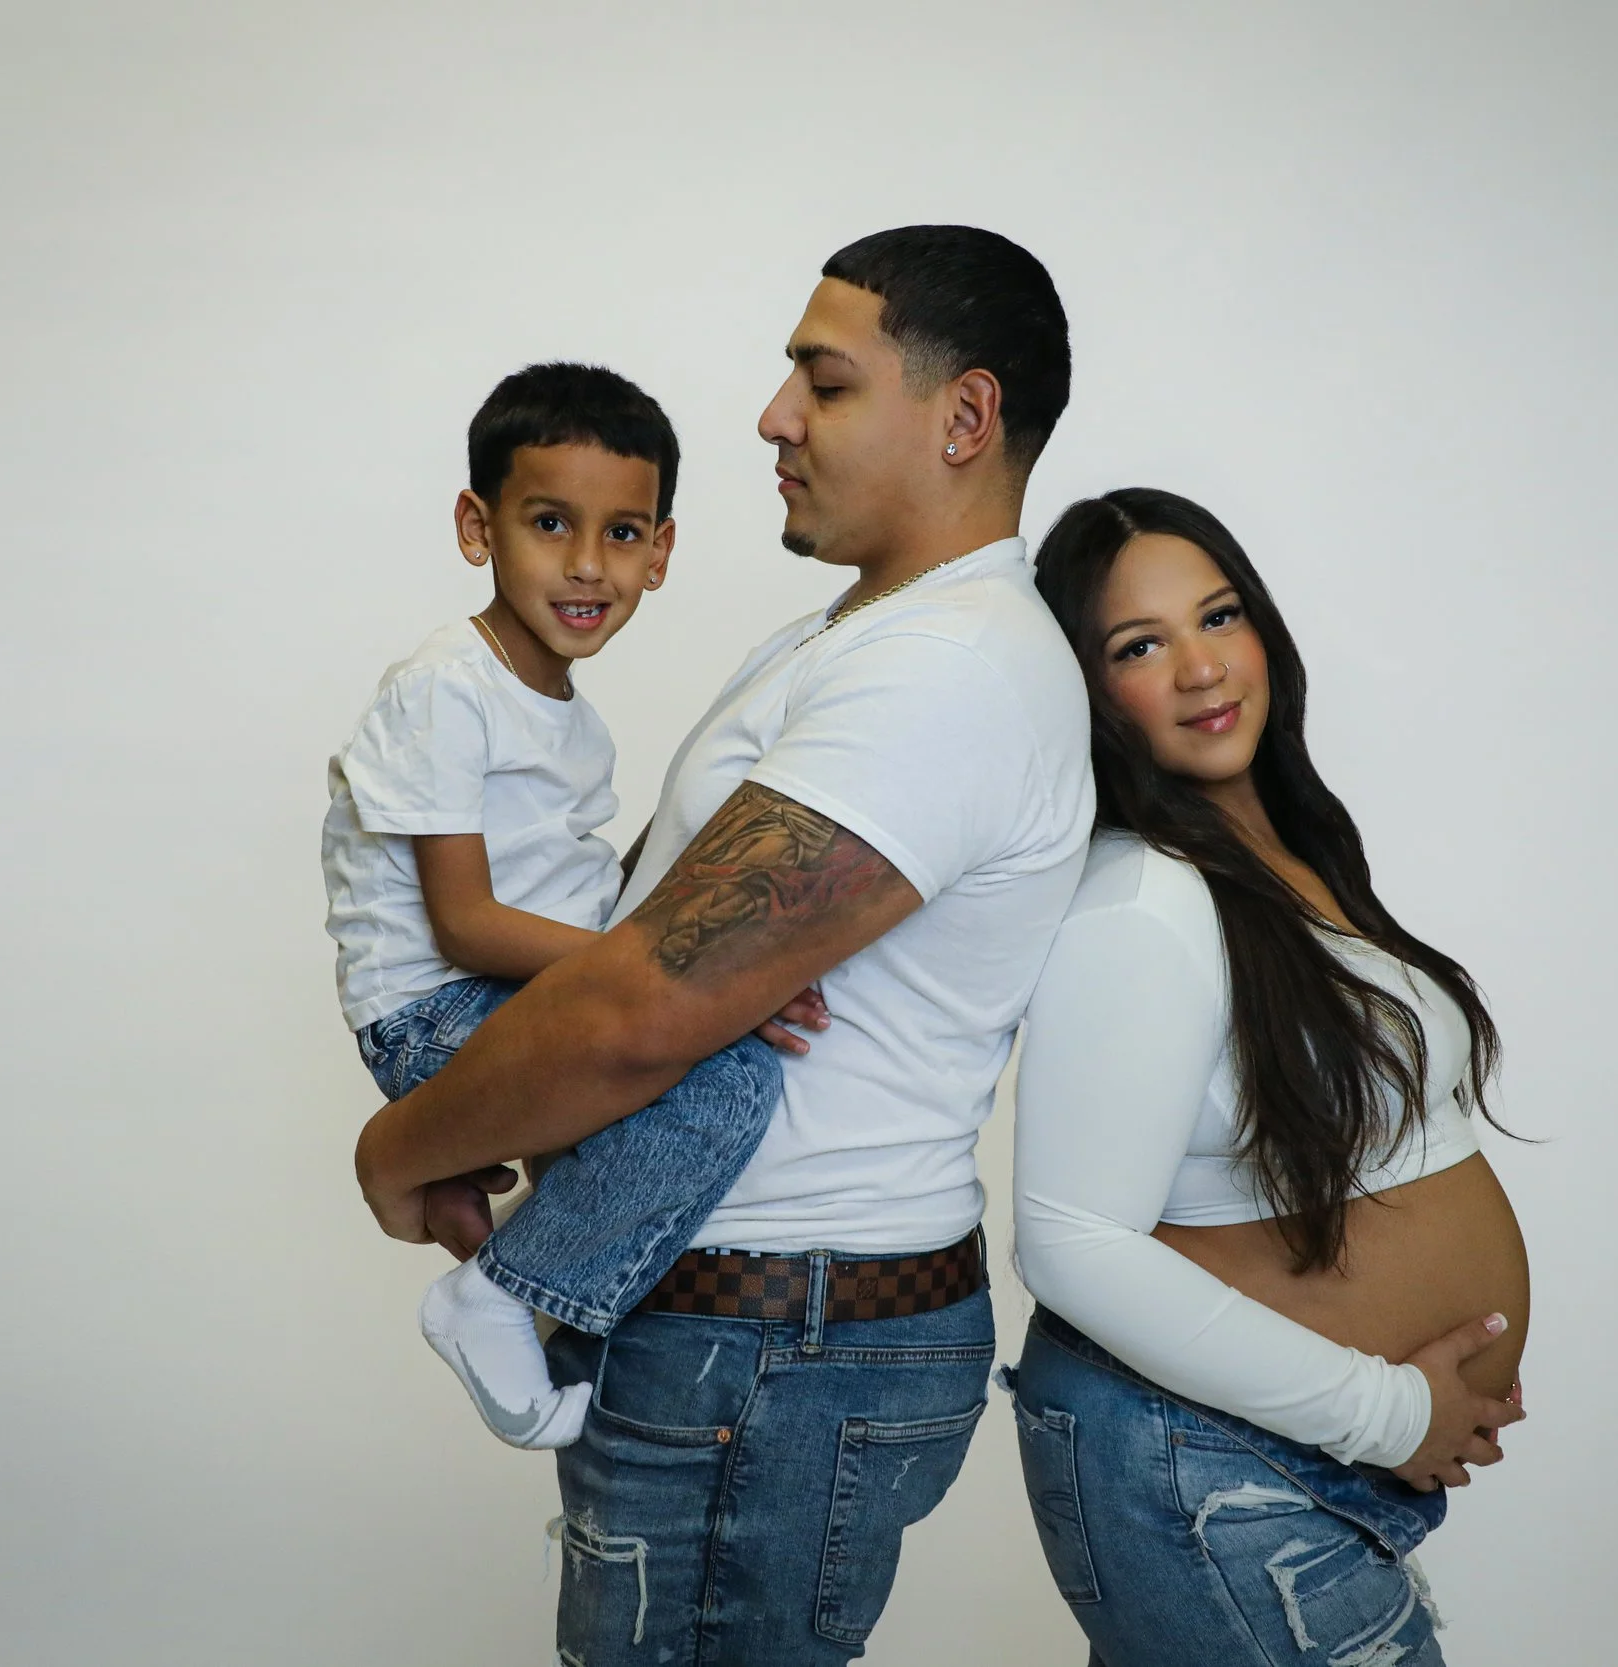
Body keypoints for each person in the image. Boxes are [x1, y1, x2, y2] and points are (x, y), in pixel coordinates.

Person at [353, 226, 1092, 1665]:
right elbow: (631, 926)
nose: (771, 417)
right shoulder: (859, 636)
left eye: (822, 381)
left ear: (964, 416)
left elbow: (642, 1001)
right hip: (740, 1341)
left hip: (773, 1352)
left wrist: (394, 1154)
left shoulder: (944, 671)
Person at [1007, 488, 1532, 1667]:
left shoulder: (1288, 856)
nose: (1199, 667)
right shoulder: (1144, 898)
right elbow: (1068, 1238)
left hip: (1246, 1468)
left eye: (1219, 615)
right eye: (1139, 645)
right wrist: (1391, 1410)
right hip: (1208, 1468)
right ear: (1090, 695)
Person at [322, 362, 827, 1450]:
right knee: (720, 1076)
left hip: (512, 987)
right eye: (549, 522)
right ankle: (498, 1297)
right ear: (477, 524)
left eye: (623, 532)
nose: (588, 563)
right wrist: (693, 981)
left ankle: (506, 1246)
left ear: (662, 550)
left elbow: (585, 897)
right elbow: (465, 920)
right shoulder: (447, 687)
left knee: (684, 1069)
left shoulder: (568, 714)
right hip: (437, 1004)